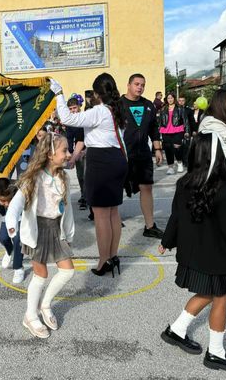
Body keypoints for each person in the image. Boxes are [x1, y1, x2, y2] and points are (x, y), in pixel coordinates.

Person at [158, 133, 226, 374]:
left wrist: (167, 240)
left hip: (193, 254)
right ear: (218, 157)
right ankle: (216, 353)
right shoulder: (224, 189)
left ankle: (176, 330)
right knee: (221, 297)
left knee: (206, 293)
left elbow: (175, 216)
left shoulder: (184, 183)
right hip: (216, 256)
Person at [52, 74, 127, 276]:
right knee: (112, 213)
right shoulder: (116, 110)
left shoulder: (99, 111)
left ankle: (104, 261)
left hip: (101, 161)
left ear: (96, 93)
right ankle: (113, 256)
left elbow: (67, 118)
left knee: (101, 215)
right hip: (116, 159)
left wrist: (59, 94)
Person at [5, 133, 75, 339]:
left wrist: (69, 232)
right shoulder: (33, 178)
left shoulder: (64, 177)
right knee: (41, 275)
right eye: (65, 151)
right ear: (50, 154)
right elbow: (14, 206)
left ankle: (45, 305)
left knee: (68, 271)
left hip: (56, 229)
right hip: (37, 229)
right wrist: (12, 228)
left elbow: (67, 208)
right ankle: (30, 316)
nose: (68, 154)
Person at [121, 73, 164, 238]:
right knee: (117, 187)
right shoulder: (118, 104)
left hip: (143, 154)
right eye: (137, 84)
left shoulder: (148, 105)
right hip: (123, 154)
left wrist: (157, 149)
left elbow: (154, 128)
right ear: (129, 85)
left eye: (142, 85)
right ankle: (112, 218)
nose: (140, 87)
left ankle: (150, 226)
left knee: (146, 187)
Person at [0, 178, 25, 284]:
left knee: (18, 238)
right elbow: (1, 209)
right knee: (3, 238)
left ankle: (18, 268)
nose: (7, 203)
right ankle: (10, 252)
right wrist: (6, 215)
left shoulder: (19, 191)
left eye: (9, 200)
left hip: (21, 212)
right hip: (8, 214)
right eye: (3, 201)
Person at [64, 96, 87, 210]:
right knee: (80, 175)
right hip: (78, 151)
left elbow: (88, 136)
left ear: (79, 107)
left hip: (88, 149)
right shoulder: (69, 123)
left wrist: (85, 150)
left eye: (75, 108)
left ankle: (86, 197)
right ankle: (83, 194)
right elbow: (69, 138)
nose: (73, 111)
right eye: (71, 109)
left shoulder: (84, 118)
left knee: (87, 175)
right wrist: (71, 153)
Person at [159, 92, 190, 175]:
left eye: (171, 98)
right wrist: (159, 132)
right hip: (165, 131)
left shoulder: (180, 108)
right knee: (168, 149)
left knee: (177, 148)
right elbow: (160, 121)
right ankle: (170, 167)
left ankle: (180, 163)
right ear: (166, 99)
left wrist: (187, 131)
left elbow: (185, 121)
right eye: (168, 98)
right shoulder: (163, 109)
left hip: (178, 130)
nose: (170, 100)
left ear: (174, 99)